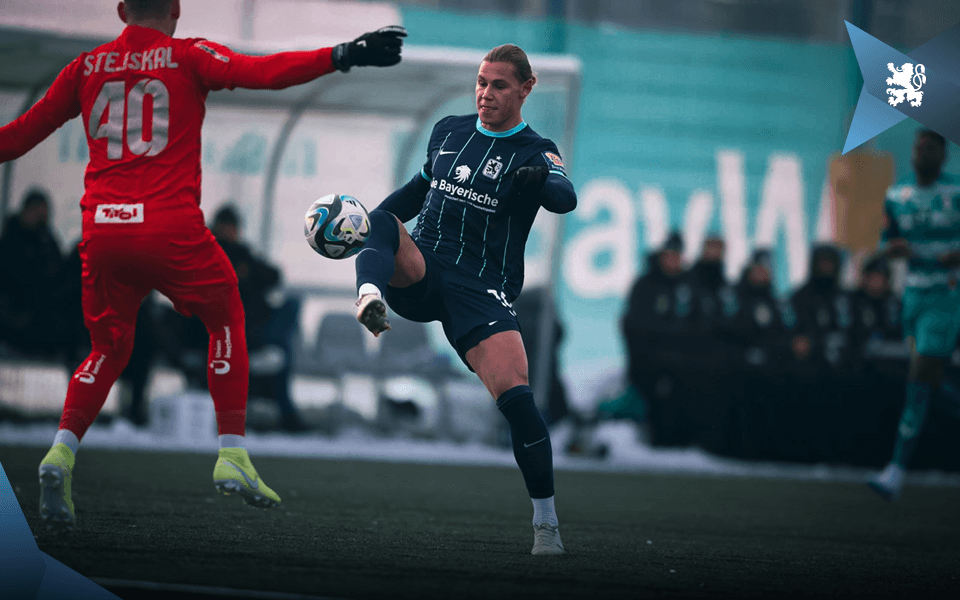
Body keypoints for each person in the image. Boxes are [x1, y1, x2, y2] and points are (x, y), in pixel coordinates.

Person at [0, 0, 406, 531]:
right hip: (169, 229)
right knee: (226, 315)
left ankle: (62, 450)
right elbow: (262, 73)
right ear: (175, 9)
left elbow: (16, 138)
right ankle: (232, 450)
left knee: (106, 347)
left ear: (122, 10)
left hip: (103, 230)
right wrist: (342, 54)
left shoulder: (84, 67)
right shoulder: (187, 56)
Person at [346, 44, 576, 555]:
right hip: (425, 268)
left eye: (498, 85)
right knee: (380, 219)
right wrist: (367, 238)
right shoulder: (448, 132)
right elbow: (410, 195)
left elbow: (565, 197)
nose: (485, 92)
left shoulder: (536, 150)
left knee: (518, 403)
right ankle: (369, 297)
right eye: (481, 81)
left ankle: (546, 527)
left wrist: (541, 182)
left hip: (482, 289)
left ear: (525, 89)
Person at [868, 129, 960, 501]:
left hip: (947, 292)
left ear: (944, 155)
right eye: (918, 147)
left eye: (931, 148)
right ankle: (897, 469)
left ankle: (896, 469)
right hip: (914, 295)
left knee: (921, 372)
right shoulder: (897, 194)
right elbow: (885, 242)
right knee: (926, 381)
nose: (922, 153)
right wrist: (893, 249)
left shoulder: (956, 193)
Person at [0, 189, 69, 358]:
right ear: (27, 211)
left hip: (40, 333)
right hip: (12, 331)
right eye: (37, 212)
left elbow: (58, 281)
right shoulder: (9, 244)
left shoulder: (47, 242)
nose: (41, 218)